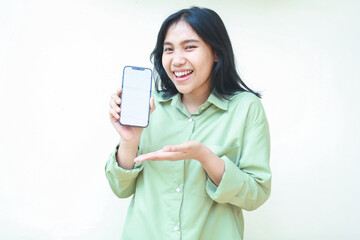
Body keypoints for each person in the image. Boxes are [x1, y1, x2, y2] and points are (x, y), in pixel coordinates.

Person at [106, 7, 271, 240]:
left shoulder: (246, 108)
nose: (177, 60)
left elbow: (256, 195)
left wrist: (205, 157)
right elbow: (120, 188)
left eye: (190, 47)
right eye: (168, 50)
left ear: (216, 52)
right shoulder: (149, 106)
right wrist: (129, 140)